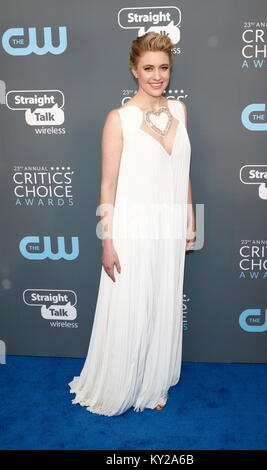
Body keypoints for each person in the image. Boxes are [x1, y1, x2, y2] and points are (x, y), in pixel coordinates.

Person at [68, 32, 196, 416]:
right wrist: (107, 241)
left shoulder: (180, 111)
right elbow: (107, 185)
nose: (157, 76)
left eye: (164, 68)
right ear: (134, 70)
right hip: (133, 228)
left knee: (162, 302)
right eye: (149, 68)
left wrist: (190, 217)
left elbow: (182, 170)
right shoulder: (118, 119)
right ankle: (124, 382)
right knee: (130, 305)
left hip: (169, 227)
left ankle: (155, 382)